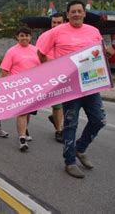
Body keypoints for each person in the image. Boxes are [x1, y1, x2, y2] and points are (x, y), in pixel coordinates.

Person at [36, 0, 114, 179]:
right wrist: (48, 66)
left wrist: (108, 53)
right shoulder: (56, 31)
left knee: (99, 120)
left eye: (79, 11)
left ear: (84, 14)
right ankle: (69, 162)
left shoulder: (93, 31)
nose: (77, 14)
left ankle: (80, 148)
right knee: (71, 124)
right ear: (67, 14)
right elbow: (41, 52)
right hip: (69, 86)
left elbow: (100, 53)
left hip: (91, 83)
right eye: (73, 12)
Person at [0, 27, 41, 152]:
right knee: (22, 112)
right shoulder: (12, 51)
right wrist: (6, 87)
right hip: (17, 88)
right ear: (17, 37)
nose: (24, 38)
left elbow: (43, 68)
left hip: (33, 87)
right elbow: (4, 70)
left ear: (30, 37)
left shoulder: (36, 50)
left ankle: (25, 129)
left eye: (27, 35)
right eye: (22, 35)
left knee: (28, 112)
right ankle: (22, 138)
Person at [37, 12, 66, 143]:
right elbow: (38, 55)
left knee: (68, 104)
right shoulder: (44, 37)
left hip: (68, 74)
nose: (55, 25)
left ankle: (55, 119)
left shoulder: (69, 37)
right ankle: (59, 130)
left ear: (65, 23)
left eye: (59, 23)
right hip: (51, 75)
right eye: (53, 22)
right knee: (58, 105)